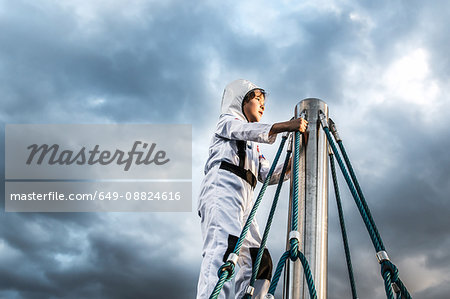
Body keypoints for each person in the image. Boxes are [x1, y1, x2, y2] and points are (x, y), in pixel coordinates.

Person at [196, 79, 308, 299]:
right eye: (257, 99)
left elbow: (268, 174)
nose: (263, 105)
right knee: (224, 249)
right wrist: (284, 126)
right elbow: (245, 130)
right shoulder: (227, 122)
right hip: (222, 188)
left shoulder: (254, 144)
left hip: (244, 195)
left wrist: (299, 154)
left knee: (260, 259)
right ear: (240, 101)